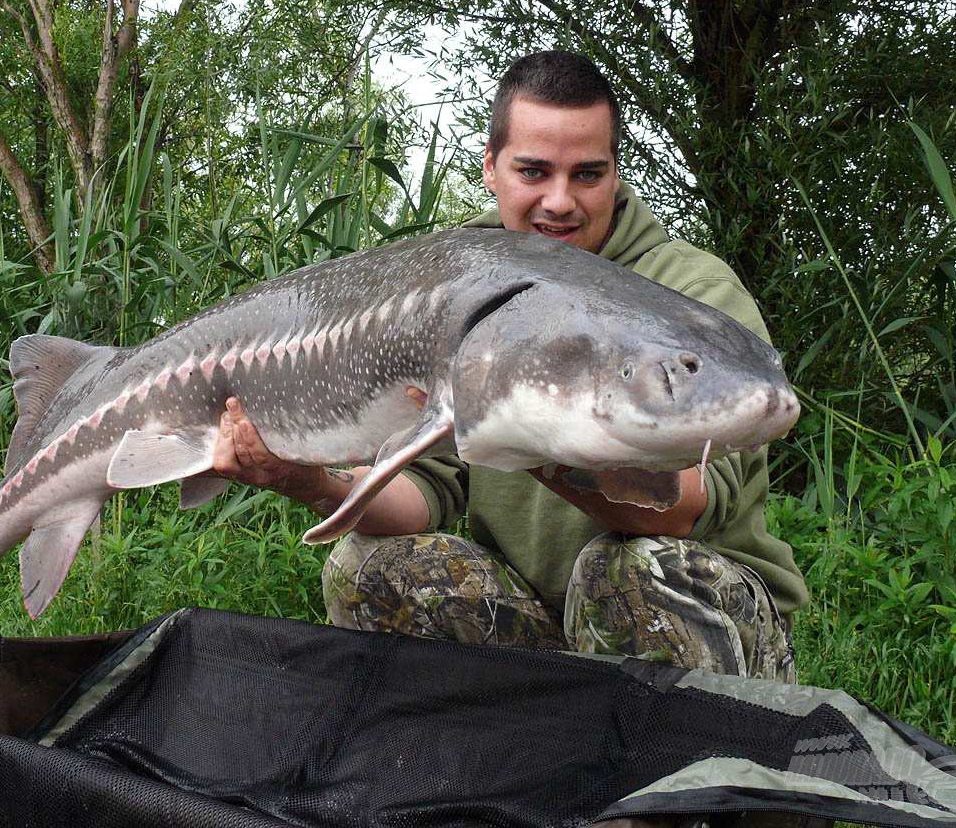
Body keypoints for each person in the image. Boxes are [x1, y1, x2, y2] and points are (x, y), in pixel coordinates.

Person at [210, 50, 808, 688]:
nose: (560, 201)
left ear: (614, 174)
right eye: (534, 171)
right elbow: (429, 496)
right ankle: (506, 754)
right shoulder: (457, 285)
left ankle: (695, 762)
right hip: (532, 613)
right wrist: (310, 483)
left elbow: (681, 511)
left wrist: (523, 430)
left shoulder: (690, 291)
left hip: (684, 612)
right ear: (492, 168)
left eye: (587, 174)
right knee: (369, 565)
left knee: (633, 570)